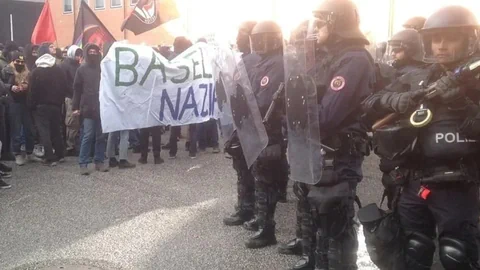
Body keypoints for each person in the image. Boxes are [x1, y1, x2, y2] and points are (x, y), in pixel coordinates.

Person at [362, 5, 480, 270]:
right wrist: (397, 99)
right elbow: (369, 103)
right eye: (436, 38)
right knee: (413, 250)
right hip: (413, 182)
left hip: (457, 186)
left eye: (450, 38)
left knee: (456, 253)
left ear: (469, 39)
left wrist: (463, 104)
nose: (441, 45)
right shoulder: (417, 77)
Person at [286, 0, 374, 269]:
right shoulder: (325, 56)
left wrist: (301, 115)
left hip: (339, 154)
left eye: (322, 20)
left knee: (335, 226)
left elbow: (326, 116)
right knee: (315, 216)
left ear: (337, 22)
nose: (317, 26)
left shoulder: (354, 58)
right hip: (315, 150)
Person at [243, 20, 285, 249]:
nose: (258, 44)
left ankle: (267, 230)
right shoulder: (263, 62)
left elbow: (264, 99)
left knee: (266, 179)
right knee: (261, 178)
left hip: (271, 130)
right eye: (256, 39)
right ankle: (261, 219)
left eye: (262, 39)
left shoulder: (277, 63)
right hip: (260, 129)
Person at [223, 21, 260, 227]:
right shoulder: (248, 59)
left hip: (250, 123)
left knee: (246, 169)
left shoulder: (252, 61)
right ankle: (251, 209)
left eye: (241, 33)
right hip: (247, 121)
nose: (237, 38)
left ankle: (246, 209)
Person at [28, 43, 68, 166]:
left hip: (40, 106)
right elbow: (64, 87)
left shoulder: (36, 72)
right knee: (56, 129)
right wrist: (60, 101)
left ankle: (50, 157)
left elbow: (32, 90)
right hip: (56, 105)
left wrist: (31, 105)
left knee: (44, 131)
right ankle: (60, 154)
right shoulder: (58, 70)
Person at [73, 43, 108, 175]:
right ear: (87, 53)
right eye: (90, 51)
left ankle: (99, 161)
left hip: (102, 106)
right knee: (87, 136)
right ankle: (83, 163)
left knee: (101, 136)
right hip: (87, 107)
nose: (93, 53)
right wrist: (75, 106)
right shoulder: (81, 70)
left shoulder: (103, 68)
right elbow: (76, 89)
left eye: (95, 51)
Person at [1, 51, 39, 165]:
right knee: (16, 130)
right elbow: (1, 84)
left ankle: (29, 152)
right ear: (12, 61)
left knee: (30, 129)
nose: (20, 63)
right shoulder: (6, 71)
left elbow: (33, 86)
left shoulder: (28, 72)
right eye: (18, 61)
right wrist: (11, 87)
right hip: (13, 103)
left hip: (26, 103)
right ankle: (17, 153)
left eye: (22, 61)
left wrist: (27, 86)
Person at [60, 45, 83, 156]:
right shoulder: (65, 66)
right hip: (70, 97)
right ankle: (70, 145)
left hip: (78, 96)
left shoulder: (78, 65)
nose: (78, 56)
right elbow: (65, 83)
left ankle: (74, 144)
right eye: (77, 54)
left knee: (76, 122)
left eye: (80, 54)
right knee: (71, 122)